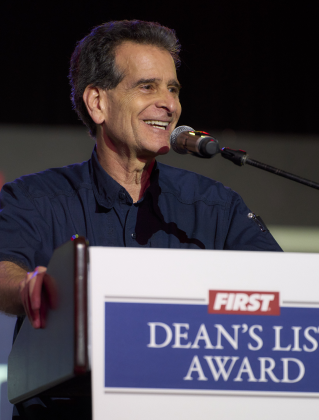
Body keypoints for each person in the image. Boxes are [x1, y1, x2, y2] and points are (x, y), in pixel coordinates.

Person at [0, 20, 282, 419]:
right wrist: (29, 286)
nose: (169, 104)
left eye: (173, 88)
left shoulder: (215, 205)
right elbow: (3, 267)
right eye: (147, 86)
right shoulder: (35, 198)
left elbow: (284, 290)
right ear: (97, 102)